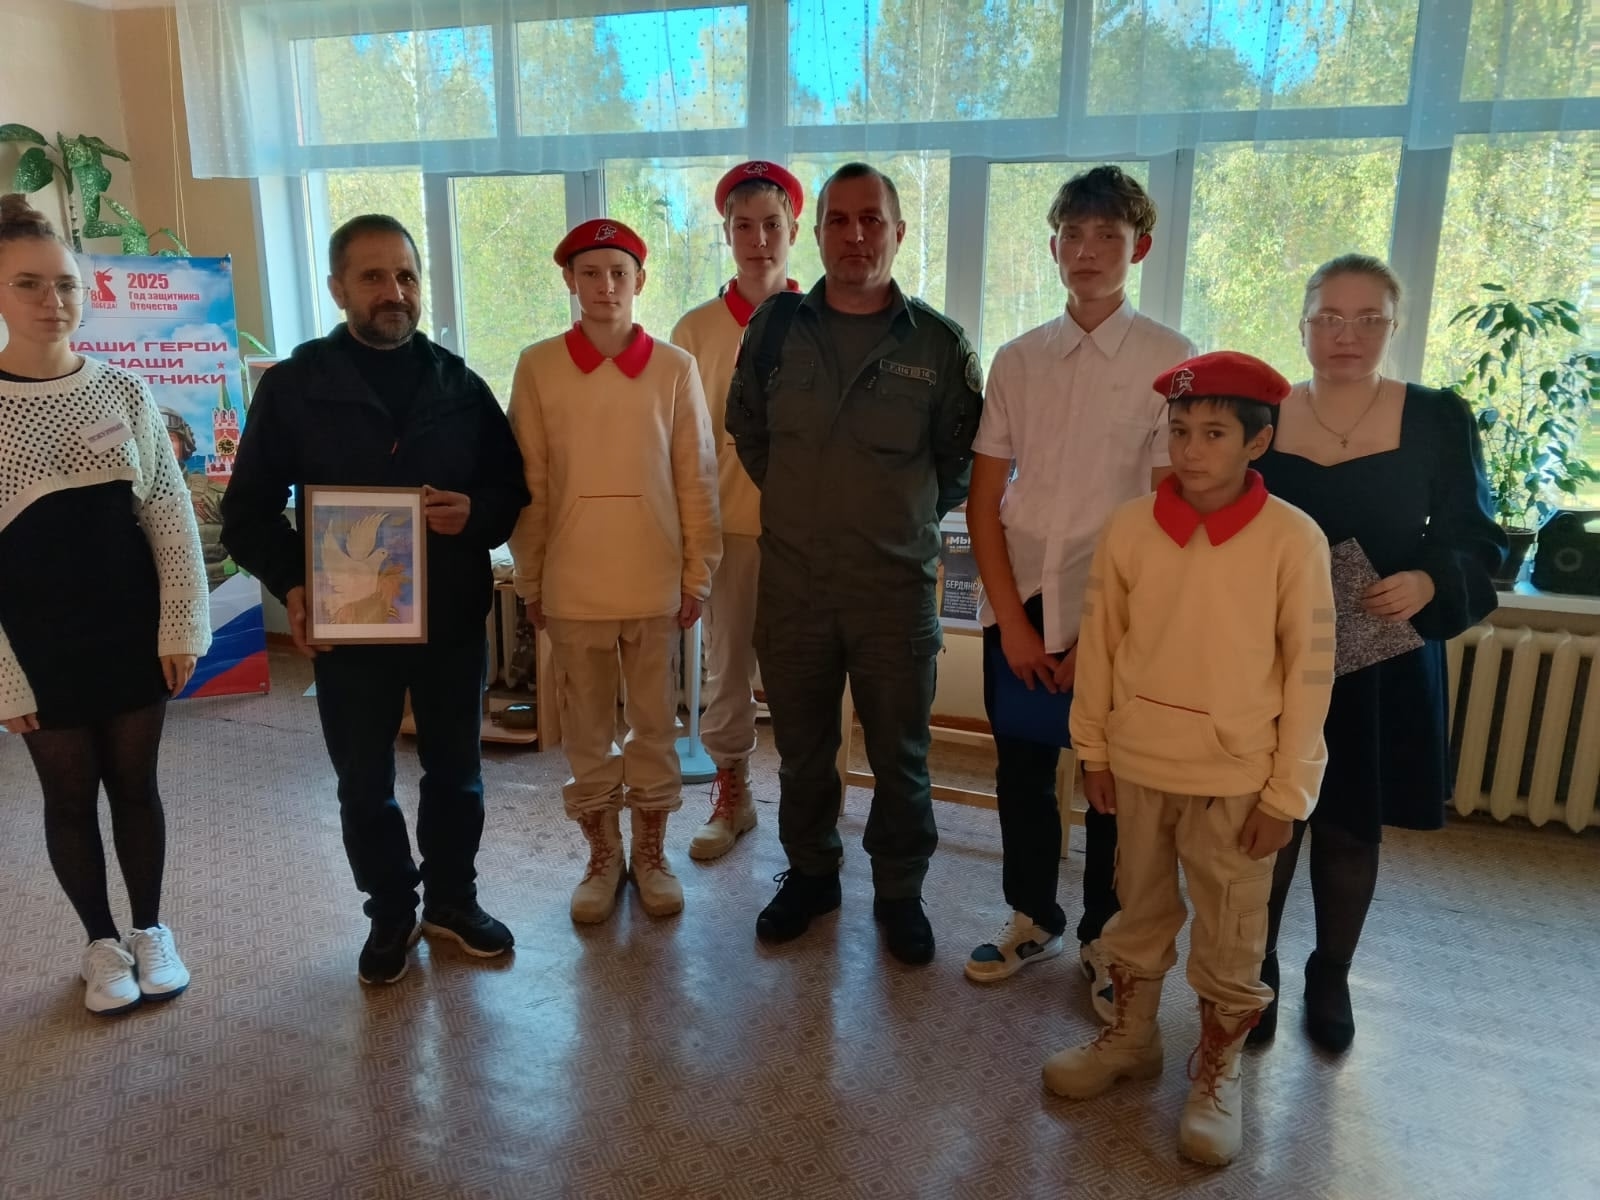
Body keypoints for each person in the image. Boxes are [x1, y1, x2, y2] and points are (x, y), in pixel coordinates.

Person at [1040, 351, 1335, 1167]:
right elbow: (1101, 647)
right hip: (1139, 763)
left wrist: (1288, 793)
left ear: (1257, 442)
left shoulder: (1292, 539)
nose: (1191, 449)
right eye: (1179, 430)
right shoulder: (1130, 527)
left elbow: (1309, 673)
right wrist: (1094, 749)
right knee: (1134, 911)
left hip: (1238, 778)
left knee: (1232, 931)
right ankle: (1131, 1037)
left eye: (1213, 433)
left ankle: (1215, 1072)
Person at [221, 213, 529, 986]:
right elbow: (246, 513)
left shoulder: (460, 385)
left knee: (457, 774)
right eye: (373, 276)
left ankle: (452, 900)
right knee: (364, 781)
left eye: (406, 275)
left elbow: (510, 491)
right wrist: (295, 584)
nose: (394, 291)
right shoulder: (296, 387)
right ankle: (390, 909)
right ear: (338, 288)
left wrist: (476, 514)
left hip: (451, 619)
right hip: (350, 626)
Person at [726, 162, 984, 966]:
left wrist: (887, 517)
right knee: (803, 753)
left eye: (872, 219)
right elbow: (750, 431)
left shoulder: (938, 345)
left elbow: (957, 465)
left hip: (892, 591)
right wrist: (806, 503)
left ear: (898, 232)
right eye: (839, 219)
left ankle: (900, 891)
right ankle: (811, 875)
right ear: (819, 233)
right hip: (795, 586)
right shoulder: (775, 329)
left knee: (901, 757)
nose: (856, 235)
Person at [1251, 254, 1505, 1051]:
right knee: (1268, 816)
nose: (1347, 334)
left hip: (1383, 653)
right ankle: (1254, 967)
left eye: (1368, 319)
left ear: (1394, 327)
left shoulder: (1436, 417)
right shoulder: (1262, 412)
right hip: (1272, 653)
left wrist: (1429, 580)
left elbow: (1477, 535)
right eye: (1329, 317)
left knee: (1351, 824)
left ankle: (1330, 973)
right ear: (1302, 325)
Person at [963, 166, 1196, 1013]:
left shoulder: (1171, 359)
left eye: (1107, 236)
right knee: (1023, 768)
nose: (1087, 251)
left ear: (1140, 247)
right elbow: (984, 501)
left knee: (1113, 782)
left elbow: (1171, 512)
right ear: (1054, 245)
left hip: (1119, 607)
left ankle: (1106, 935)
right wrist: (1014, 624)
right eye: (1073, 234)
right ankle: (1035, 916)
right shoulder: (1019, 358)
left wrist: (1099, 638)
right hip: (1020, 596)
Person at [0, 193, 210, 1014]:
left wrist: (181, 623)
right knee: (67, 797)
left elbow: (168, 512)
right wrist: (4, 678)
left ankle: (151, 930)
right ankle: (100, 943)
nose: (52, 301)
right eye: (28, 284)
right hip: (36, 643)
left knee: (136, 785)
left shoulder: (123, 390)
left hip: (130, 630)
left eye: (65, 284)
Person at [508, 218, 721, 925]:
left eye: (619, 274)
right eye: (591, 273)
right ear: (569, 280)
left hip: (653, 584)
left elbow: (696, 477)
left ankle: (652, 855)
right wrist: (531, 578)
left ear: (640, 281)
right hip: (573, 587)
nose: (605, 287)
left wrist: (697, 572)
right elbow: (531, 485)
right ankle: (603, 858)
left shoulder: (673, 368)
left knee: (656, 726)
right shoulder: (539, 367)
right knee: (587, 731)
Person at [670, 160, 804, 861]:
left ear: (793, 230)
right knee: (727, 674)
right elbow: (678, 442)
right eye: (744, 226)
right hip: (728, 532)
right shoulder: (694, 331)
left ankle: (810, 808)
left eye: (771, 225)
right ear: (726, 233)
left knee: (806, 676)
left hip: (808, 533)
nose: (759, 240)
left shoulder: (820, 319)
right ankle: (734, 795)